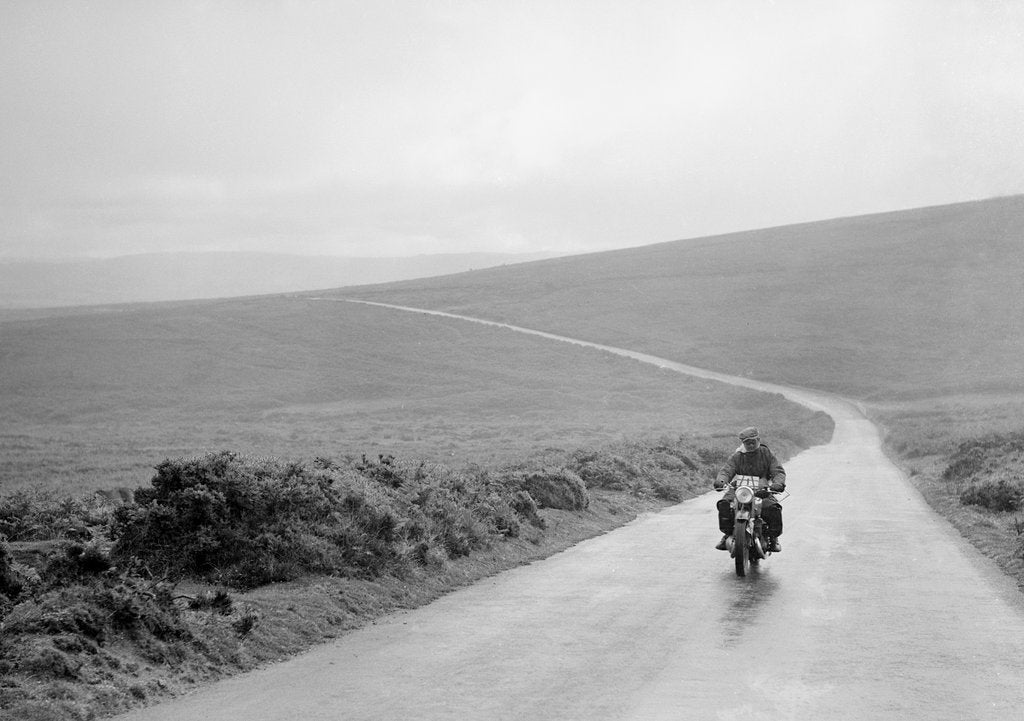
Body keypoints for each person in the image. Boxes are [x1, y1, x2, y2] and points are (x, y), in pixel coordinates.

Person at [713, 426, 786, 552]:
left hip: (762, 490)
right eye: (747, 443)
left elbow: (777, 471)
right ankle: (728, 534)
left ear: (758, 440)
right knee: (725, 505)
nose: (751, 445)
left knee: (773, 509)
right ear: (743, 443)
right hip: (740, 489)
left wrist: (777, 484)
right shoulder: (738, 456)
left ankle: (773, 538)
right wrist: (721, 481)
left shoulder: (767, 454)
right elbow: (727, 470)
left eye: (753, 442)